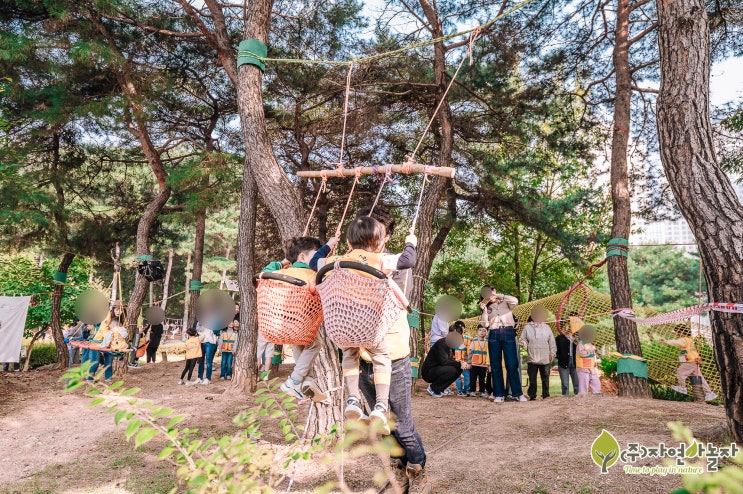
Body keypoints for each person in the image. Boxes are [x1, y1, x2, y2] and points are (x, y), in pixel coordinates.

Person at [320, 216, 417, 435]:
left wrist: (329, 245)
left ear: (348, 242)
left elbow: (313, 262)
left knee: (349, 354)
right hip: (369, 325)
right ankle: (380, 406)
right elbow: (408, 260)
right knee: (381, 357)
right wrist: (411, 241)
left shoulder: (335, 260)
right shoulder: (382, 259)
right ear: (380, 243)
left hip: (342, 324)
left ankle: (353, 399)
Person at [262, 236, 327, 401]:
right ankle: (295, 380)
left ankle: (308, 380)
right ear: (303, 257)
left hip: (278, 323)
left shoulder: (281, 273)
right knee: (314, 343)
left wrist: (284, 261)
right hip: (301, 322)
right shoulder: (313, 275)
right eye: (317, 255)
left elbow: (265, 270)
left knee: (299, 343)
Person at [479, 285, 526, 403]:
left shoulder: (506, 302)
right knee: (495, 365)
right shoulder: (487, 307)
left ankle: (518, 393)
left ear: (494, 291)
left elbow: (515, 301)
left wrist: (499, 296)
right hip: (494, 334)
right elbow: (485, 324)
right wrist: (484, 311)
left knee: (512, 364)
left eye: (491, 292)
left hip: (508, 332)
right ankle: (498, 394)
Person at [660, 327, 717, 402]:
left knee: (680, 371)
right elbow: (683, 349)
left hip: (690, 361)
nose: (675, 333)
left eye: (676, 331)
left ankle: (682, 387)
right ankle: (709, 393)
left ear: (680, 332)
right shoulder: (689, 340)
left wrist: (666, 341)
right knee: (700, 378)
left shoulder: (683, 339)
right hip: (694, 361)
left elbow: (677, 343)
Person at [84, 303, 127, 383]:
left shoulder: (122, 318)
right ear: (113, 309)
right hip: (98, 341)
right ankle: (90, 378)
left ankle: (108, 378)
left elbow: (122, 330)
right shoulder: (108, 316)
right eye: (117, 310)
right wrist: (111, 336)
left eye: (121, 310)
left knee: (109, 362)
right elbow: (104, 329)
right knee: (95, 362)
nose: (119, 312)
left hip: (111, 343)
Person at [520, 306, 556, 401]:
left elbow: (552, 342)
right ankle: (532, 395)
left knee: (545, 378)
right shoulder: (527, 327)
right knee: (532, 379)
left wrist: (552, 353)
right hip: (532, 357)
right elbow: (523, 340)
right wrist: (523, 349)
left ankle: (546, 395)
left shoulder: (547, 327)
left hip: (545, 357)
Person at [421, 327, 465, 398]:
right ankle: (433, 388)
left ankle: (440, 388)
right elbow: (444, 362)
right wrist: (459, 364)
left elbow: (451, 361)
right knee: (452, 370)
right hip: (428, 372)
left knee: (459, 369)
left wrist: (461, 364)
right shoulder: (442, 343)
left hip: (438, 369)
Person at [575, 325, 602, 395]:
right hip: (583, 369)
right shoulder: (580, 344)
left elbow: (592, 353)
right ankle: (583, 396)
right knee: (583, 385)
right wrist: (590, 350)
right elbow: (582, 354)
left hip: (591, 368)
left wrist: (596, 351)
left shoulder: (589, 344)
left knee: (596, 382)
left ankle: (596, 393)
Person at [468, 325, 491, 397]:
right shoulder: (474, 341)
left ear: (487, 332)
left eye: (484, 331)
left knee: (482, 379)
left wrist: (488, 365)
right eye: (480, 330)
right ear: (477, 331)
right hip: (474, 364)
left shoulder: (488, 342)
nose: (482, 332)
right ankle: (472, 391)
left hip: (483, 365)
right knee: (473, 378)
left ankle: (482, 391)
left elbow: (489, 354)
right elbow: (470, 352)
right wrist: (469, 362)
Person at [194, 320, 218, 385]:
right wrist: (200, 324)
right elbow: (197, 330)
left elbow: (217, 332)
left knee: (208, 361)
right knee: (200, 361)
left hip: (210, 342)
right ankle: (199, 377)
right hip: (201, 341)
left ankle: (208, 378)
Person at [555, 331, 579, 396]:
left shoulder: (577, 337)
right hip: (563, 362)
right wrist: (560, 357)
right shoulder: (559, 338)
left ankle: (578, 397)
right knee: (565, 384)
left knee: (577, 383)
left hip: (575, 362)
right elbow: (555, 349)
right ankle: (565, 398)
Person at [451, 322, 470, 396]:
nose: (460, 329)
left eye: (462, 327)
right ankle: (460, 391)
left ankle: (467, 390)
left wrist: (467, 362)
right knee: (457, 377)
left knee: (467, 376)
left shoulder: (467, 338)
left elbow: (468, 351)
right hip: (456, 362)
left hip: (464, 361)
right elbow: (451, 351)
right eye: (458, 327)